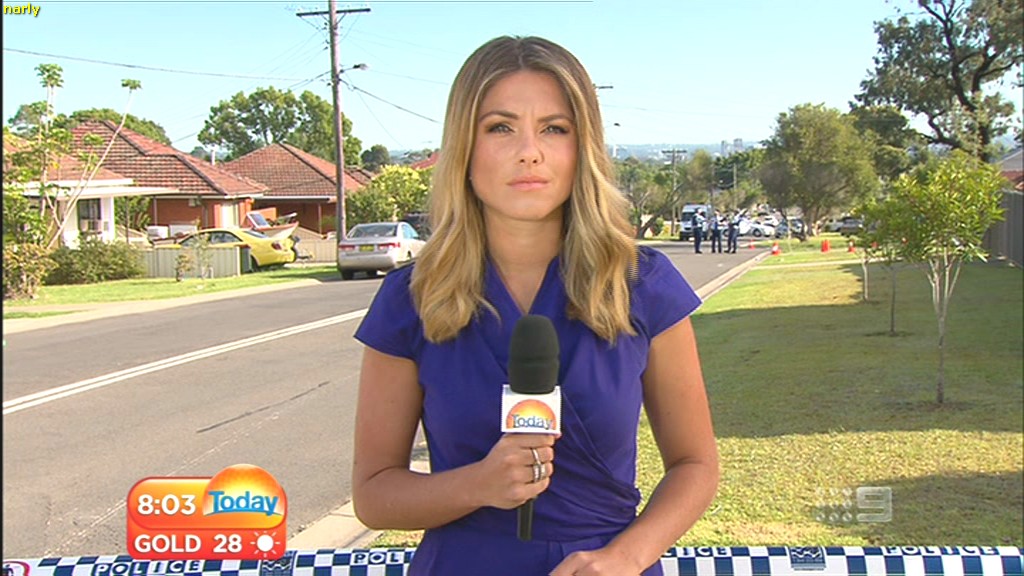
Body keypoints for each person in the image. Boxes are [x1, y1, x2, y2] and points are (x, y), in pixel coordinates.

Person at [351, 35, 719, 576]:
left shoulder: (643, 285)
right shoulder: (411, 299)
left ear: (583, 148)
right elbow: (374, 495)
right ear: (465, 148)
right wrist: (478, 484)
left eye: (554, 128)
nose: (530, 151)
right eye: (501, 127)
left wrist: (626, 557)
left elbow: (696, 465)